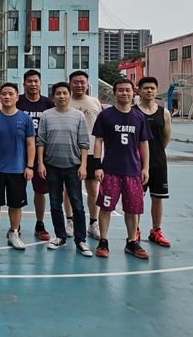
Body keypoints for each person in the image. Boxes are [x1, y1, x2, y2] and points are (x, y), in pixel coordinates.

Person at [93, 78, 152, 259]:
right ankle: (103, 240)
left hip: (133, 171)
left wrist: (145, 168)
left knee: (133, 209)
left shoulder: (139, 117)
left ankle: (132, 242)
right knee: (106, 207)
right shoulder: (106, 115)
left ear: (133, 92)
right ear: (115, 93)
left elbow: (144, 143)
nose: (124, 93)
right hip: (110, 171)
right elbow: (98, 141)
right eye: (120, 90)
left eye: (127, 90)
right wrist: (97, 165)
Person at [36, 82, 92, 257]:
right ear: (53, 96)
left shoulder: (78, 116)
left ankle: (80, 240)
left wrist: (83, 165)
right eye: (58, 93)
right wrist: (40, 163)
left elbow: (84, 143)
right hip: (52, 166)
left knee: (77, 205)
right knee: (55, 204)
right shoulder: (46, 115)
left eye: (64, 93)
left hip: (73, 167)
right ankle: (60, 236)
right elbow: (40, 141)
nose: (61, 96)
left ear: (69, 95)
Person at [0, 83, 36, 250]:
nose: (7, 96)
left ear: (17, 97)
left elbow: (31, 144)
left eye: (11, 94)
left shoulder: (25, 119)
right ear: (0, 97)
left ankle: (14, 233)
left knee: (16, 204)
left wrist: (30, 166)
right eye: (4, 94)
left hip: (17, 169)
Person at [15, 69, 55, 241]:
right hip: (19, 152)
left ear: (40, 83)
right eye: (29, 81)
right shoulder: (17, 102)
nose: (33, 84)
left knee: (40, 191)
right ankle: (15, 225)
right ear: (24, 84)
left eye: (35, 81)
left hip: (42, 155)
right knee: (18, 189)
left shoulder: (48, 104)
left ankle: (40, 223)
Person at [65, 70, 103, 239]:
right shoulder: (65, 101)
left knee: (93, 190)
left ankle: (93, 223)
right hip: (70, 153)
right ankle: (70, 221)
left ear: (87, 85)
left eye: (82, 82)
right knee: (68, 190)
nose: (79, 85)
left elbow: (102, 129)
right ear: (70, 84)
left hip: (92, 152)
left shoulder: (95, 102)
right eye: (75, 82)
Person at [135, 76, 172, 247]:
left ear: (157, 91)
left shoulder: (164, 113)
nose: (149, 91)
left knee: (158, 198)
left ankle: (156, 231)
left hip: (158, 162)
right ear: (139, 91)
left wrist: (156, 153)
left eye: (152, 88)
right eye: (146, 88)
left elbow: (166, 137)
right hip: (137, 163)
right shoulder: (133, 112)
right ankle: (134, 230)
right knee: (136, 198)